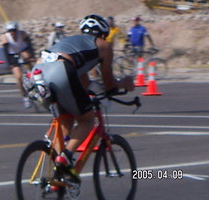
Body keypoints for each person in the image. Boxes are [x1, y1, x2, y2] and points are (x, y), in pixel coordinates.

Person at [32, 14, 134, 181]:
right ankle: (65, 157)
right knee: (87, 120)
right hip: (61, 69)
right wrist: (124, 83)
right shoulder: (104, 45)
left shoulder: (73, 43)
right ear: (103, 34)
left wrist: (90, 93)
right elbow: (109, 83)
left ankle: (57, 175)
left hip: (38, 71)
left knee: (66, 120)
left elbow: (83, 82)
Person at [0, 21, 35, 108]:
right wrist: (10, 63)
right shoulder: (5, 37)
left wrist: (31, 55)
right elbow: (6, 52)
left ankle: (33, 81)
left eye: (14, 31)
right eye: (10, 31)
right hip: (12, 55)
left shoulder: (22, 34)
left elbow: (30, 46)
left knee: (29, 67)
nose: (12, 33)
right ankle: (25, 97)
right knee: (18, 77)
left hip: (23, 51)